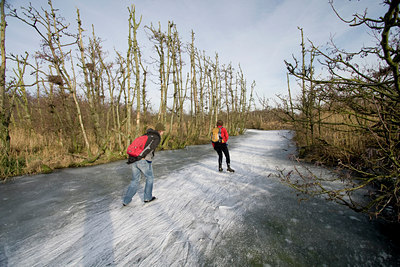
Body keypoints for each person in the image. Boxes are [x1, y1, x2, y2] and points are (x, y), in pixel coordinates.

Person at [123, 123, 165, 206]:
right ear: (160, 130)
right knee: (150, 178)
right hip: (143, 160)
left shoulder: (146, 135)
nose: (163, 132)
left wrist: (135, 158)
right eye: (163, 131)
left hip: (134, 159)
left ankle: (126, 201)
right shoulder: (156, 137)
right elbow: (149, 148)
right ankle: (147, 198)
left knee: (135, 180)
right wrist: (141, 157)